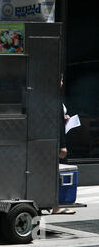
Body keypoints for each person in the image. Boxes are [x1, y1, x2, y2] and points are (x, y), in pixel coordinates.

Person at [52, 73, 75, 214]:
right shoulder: (54, 100)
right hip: (57, 142)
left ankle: (56, 205)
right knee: (57, 174)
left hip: (53, 141)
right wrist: (62, 146)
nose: (62, 82)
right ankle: (57, 205)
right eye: (60, 79)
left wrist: (65, 118)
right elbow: (57, 125)